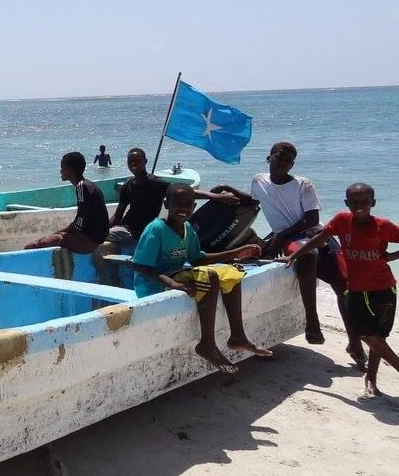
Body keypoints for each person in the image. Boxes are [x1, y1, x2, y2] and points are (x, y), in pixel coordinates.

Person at [213, 142, 365, 365]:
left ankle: (355, 343)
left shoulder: (303, 184)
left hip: (314, 234)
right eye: (279, 158)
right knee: (308, 255)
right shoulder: (259, 180)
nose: (283, 163)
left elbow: (312, 220)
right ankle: (312, 321)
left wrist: (281, 235)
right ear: (269, 158)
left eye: (288, 161)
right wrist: (228, 188)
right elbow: (253, 200)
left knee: (344, 288)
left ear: (292, 164)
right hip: (295, 240)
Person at [129, 184, 271, 372]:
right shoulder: (155, 229)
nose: (183, 208)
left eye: (188, 204)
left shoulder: (187, 229)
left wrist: (237, 253)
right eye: (177, 203)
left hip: (176, 277)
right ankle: (207, 343)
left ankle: (238, 335)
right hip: (154, 284)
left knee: (231, 273)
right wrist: (170, 282)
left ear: (194, 207)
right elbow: (138, 264)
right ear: (166, 204)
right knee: (209, 276)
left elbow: (198, 259)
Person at [284, 183, 399, 397]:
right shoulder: (341, 221)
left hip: (384, 288)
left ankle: (371, 380)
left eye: (364, 201)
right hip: (355, 288)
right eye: (354, 202)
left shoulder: (384, 226)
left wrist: (391, 257)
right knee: (365, 333)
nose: (359, 206)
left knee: (379, 336)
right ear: (347, 204)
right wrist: (294, 255)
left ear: (372, 203)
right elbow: (321, 238)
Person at [108, 148, 239, 247]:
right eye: (130, 161)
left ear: (145, 162)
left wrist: (216, 197)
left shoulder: (155, 183)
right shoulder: (127, 186)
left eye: (137, 160)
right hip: (125, 228)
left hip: (140, 232)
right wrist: (104, 227)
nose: (133, 164)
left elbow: (184, 192)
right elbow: (118, 216)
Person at [25, 151, 109, 254]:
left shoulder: (81, 186)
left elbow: (80, 223)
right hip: (95, 238)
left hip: (88, 241)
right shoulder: (90, 185)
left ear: (70, 170)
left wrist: (61, 231)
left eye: (62, 168)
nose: (60, 171)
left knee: (32, 246)